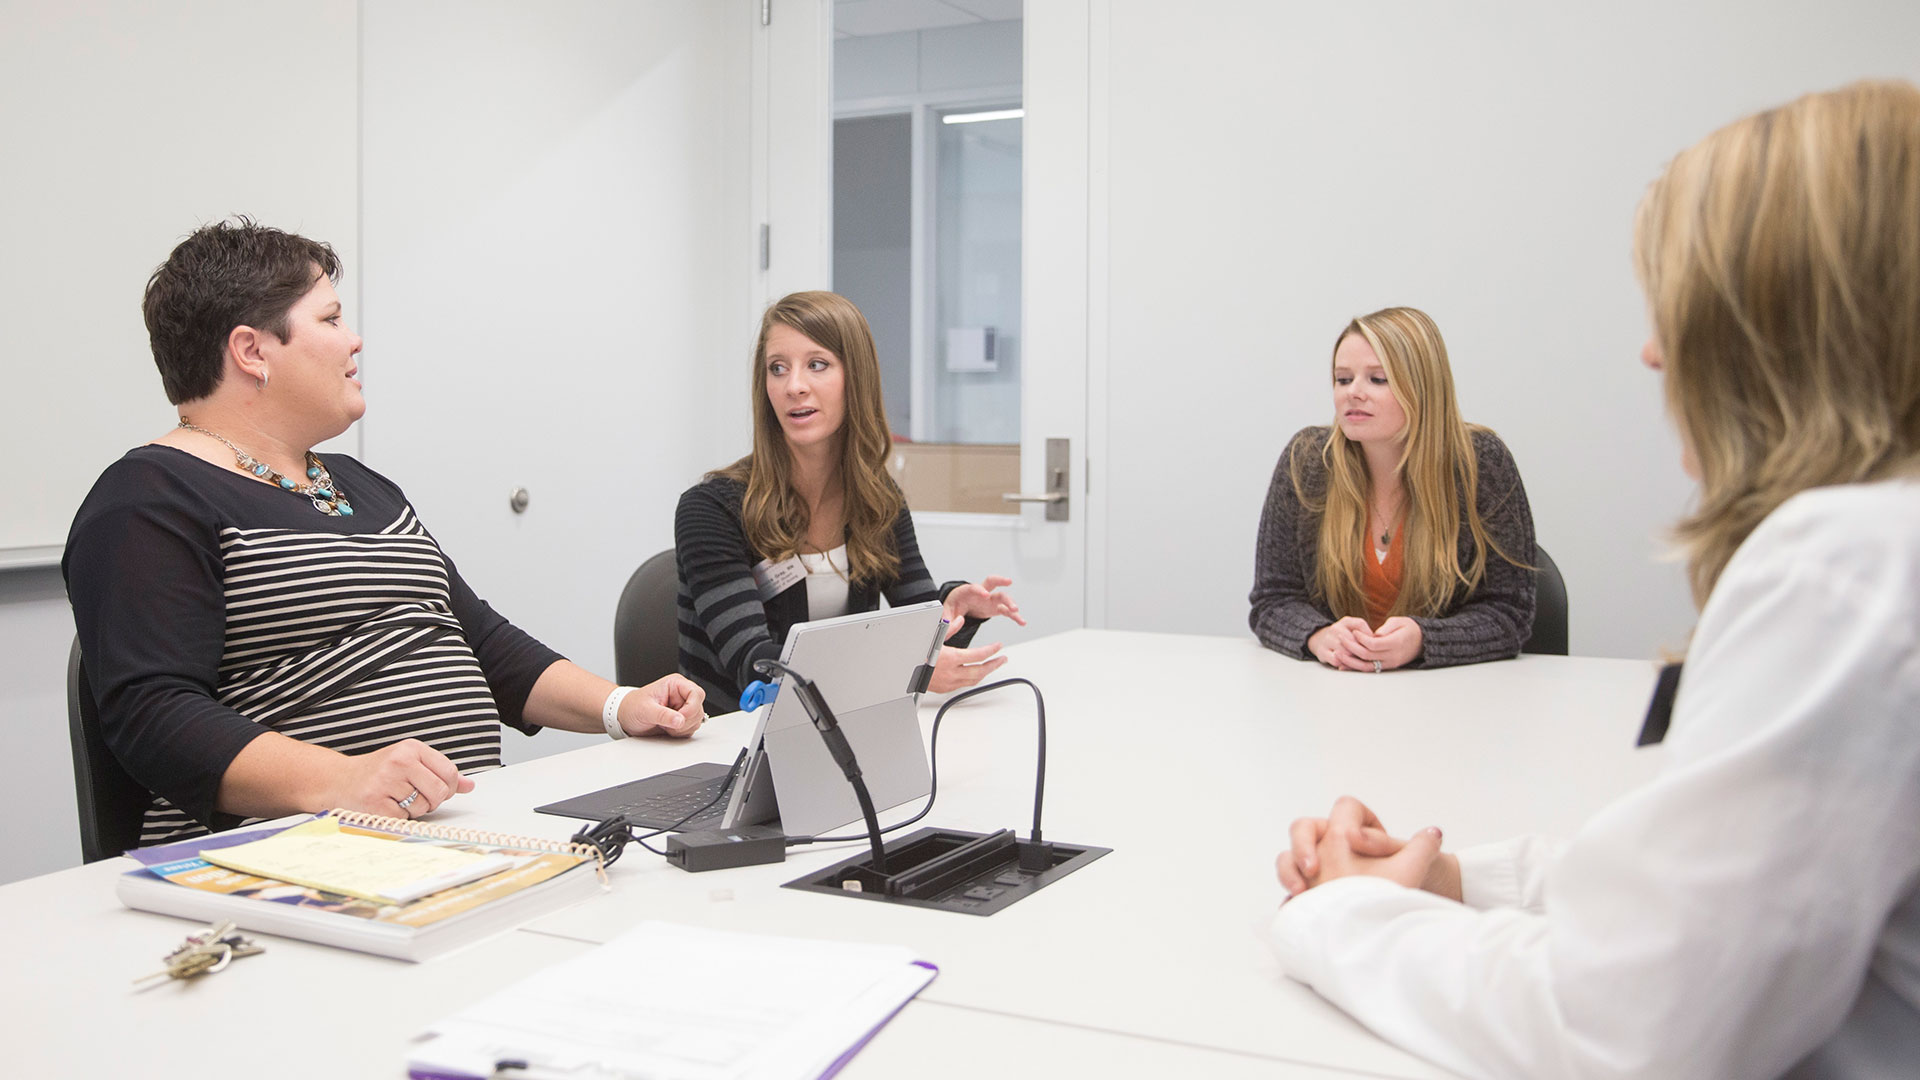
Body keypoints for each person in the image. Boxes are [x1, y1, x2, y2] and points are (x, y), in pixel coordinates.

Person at [1270, 81, 1920, 1078]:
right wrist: (1448, 875)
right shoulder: (1879, 555)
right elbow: (1708, 897)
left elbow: (1630, 1028)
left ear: (1783, 326)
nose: (1655, 352)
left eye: (1684, 308)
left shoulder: (1849, 572)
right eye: (1343, 376)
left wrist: (1347, 913)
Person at [65, 219, 706, 847]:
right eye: (330, 319)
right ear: (252, 351)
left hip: (464, 829)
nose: (354, 341)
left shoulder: (357, 483)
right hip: (297, 854)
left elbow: (482, 641)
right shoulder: (147, 500)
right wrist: (341, 779)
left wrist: (621, 707)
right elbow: (154, 716)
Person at [676, 290, 1023, 709]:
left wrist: (954, 611)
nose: (794, 386)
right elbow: (758, 667)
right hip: (733, 744)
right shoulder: (711, 508)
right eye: (778, 369)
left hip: (840, 730)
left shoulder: (877, 500)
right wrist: (903, 668)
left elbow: (919, 638)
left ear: (854, 378)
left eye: (817, 365)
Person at [1249, 307, 1535, 671]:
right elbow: (1272, 601)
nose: (1353, 393)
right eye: (1342, 379)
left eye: (1377, 379)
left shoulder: (1481, 463)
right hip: (1330, 695)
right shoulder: (1306, 462)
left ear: (1423, 386)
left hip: (1452, 700)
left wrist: (1422, 640)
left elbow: (1511, 613)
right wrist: (1319, 636)